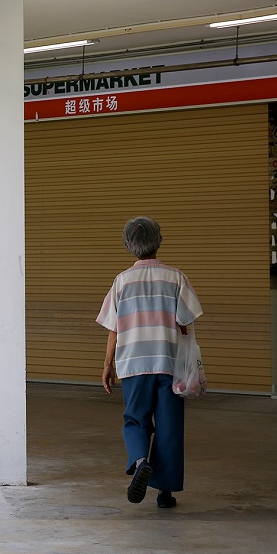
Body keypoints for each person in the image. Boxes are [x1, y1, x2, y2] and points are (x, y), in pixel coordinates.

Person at [96, 216, 203, 509]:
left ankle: (141, 461)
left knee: (135, 419)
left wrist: (108, 365)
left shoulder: (121, 282)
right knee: (169, 427)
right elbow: (186, 320)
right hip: (169, 365)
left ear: (129, 245)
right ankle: (164, 493)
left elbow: (113, 328)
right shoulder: (175, 277)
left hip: (133, 364)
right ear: (159, 241)